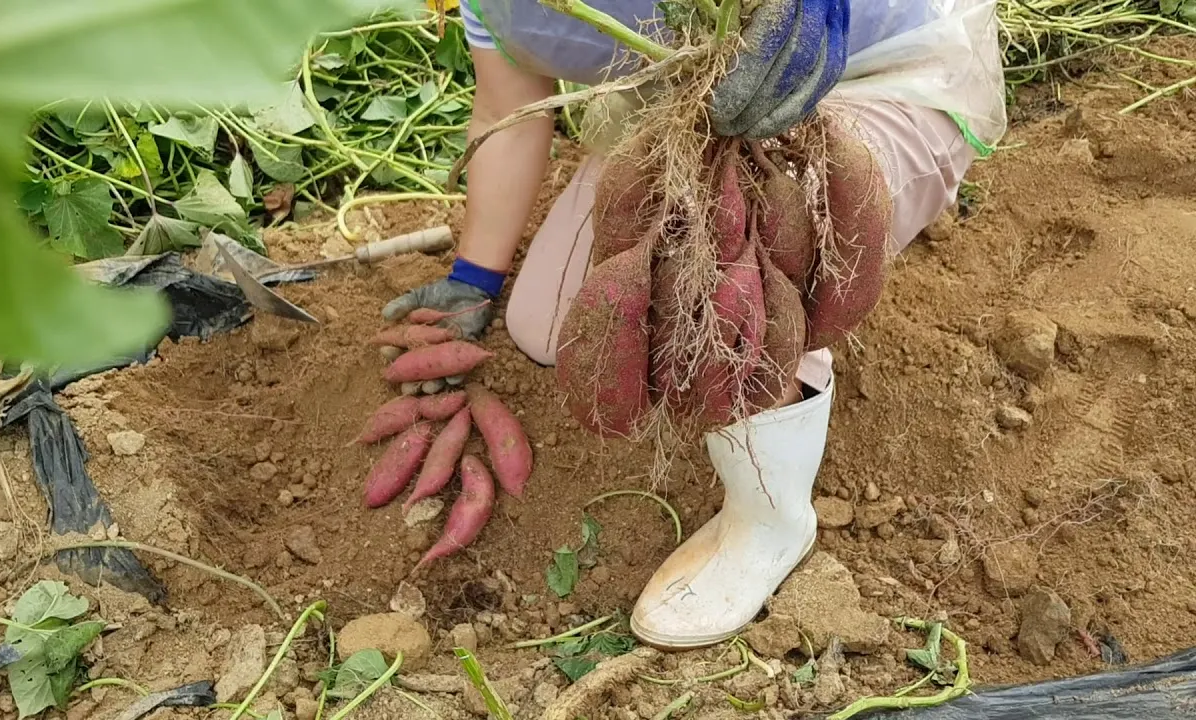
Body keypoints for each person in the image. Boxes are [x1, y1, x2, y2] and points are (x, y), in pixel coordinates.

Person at [383, 0, 1007, 649]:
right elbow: (503, 114)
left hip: (890, 74)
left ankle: (770, 517)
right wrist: (473, 279)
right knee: (547, 325)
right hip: (685, 111)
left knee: (746, 253)